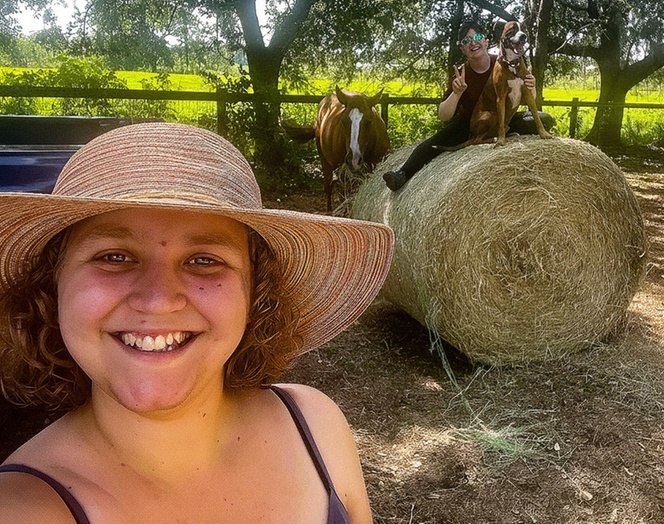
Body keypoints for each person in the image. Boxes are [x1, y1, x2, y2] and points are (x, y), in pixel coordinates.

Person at [0, 122, 394, 523]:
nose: (158, 300)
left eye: (204, 260)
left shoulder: (317, 425)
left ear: (254, 294)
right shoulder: (21, 508)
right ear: (52, 286)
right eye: (114, 257)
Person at [382, 20, 555, 191]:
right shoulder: (461, 73)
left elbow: (525, 98)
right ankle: (402, 174)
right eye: (466, 41)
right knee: (435, 142)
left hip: (504, 116)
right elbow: (443, 115)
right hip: (469, 122)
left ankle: (503, 136)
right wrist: (456, 93)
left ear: (486, 42)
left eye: (477, 36)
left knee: (543, 118)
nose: (473, 42)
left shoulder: (506, 61)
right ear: (463, 49)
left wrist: (531, 87)